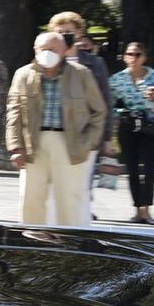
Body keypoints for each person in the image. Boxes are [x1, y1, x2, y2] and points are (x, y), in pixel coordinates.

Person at [4, 31, 107, 228]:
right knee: (30, 198)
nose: (47, 53)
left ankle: (69, 247)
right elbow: (13, 113)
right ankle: (33, 242)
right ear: (35, 50)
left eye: (53, 49)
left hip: (69, 143)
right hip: (33, 143)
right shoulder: (23, 74)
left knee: (68, 199)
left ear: (64, 51)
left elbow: (99, 111)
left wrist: (89, 142)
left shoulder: (81, 74)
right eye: (43, 49)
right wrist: (16, 147)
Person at [48, 12, 114, 217]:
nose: (65, 35)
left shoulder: (95, 64)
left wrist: (106, 137)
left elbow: (105, 101)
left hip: (84, 133)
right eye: (60, 32)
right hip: (54, 132)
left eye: (69, 31)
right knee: (54, 186)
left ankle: (80, 224)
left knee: (81, 186)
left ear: (79, 33)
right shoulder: (46, 60)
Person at [110, 41, 154, 223]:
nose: (134, 58)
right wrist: (117, 115)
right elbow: (110, 103)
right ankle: (137, 209)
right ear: (124, 57)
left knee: (149, 168)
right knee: (131, 168)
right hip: (127, 125)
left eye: (138, 54)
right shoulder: (116, 79)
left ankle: (146, 210)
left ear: (144, 58)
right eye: (130, 54)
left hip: (150, 124)